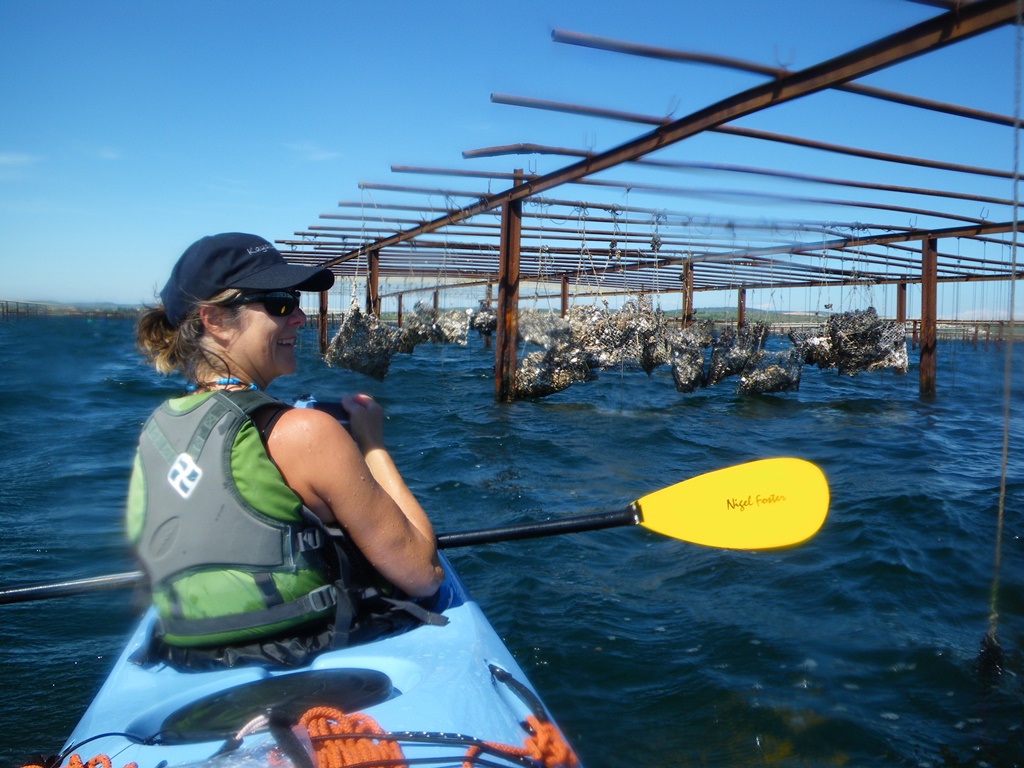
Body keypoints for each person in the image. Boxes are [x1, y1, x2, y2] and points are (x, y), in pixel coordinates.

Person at [128, 232, 444, 667]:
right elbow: (422, 574)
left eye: (295, 299)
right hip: (309, 651)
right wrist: (372, 445)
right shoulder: (305, 433)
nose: (299, 316)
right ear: (215, 320)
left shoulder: (157, 429)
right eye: (279, 303)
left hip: (186, 654)